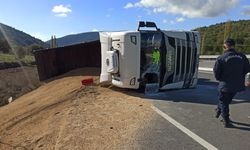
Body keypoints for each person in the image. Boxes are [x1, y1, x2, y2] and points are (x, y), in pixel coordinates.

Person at [213, 38, 250, 128]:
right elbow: (247, 69)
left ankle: (226, 119)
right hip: (237, 85)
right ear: (234, 45)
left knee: (223, 102)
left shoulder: (221, 58)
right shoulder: (242, 56)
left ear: (225, 45)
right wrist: (239, 77)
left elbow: (216, 73)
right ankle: (219, 110)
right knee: (226, 100)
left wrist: (221, 79)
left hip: (225, 84)